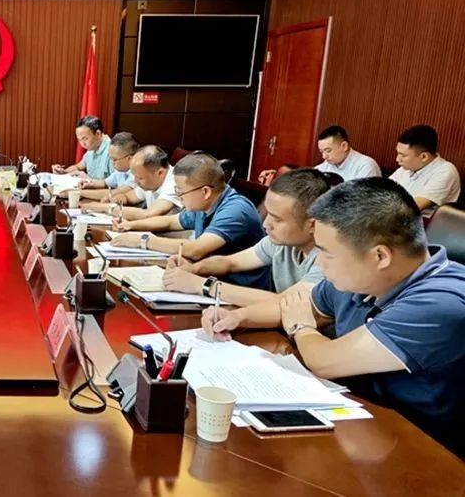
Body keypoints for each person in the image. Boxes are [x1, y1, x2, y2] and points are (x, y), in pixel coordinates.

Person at [201, 178, 465, 455]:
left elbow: (325, 361)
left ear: (380, 256)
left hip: (422, 448)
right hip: (360, 419)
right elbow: (294, 305)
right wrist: (237, 317)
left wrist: (301, 327)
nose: (319, 261)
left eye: (327, 253)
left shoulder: (441, 303)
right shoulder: (363, 278)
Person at [164, 168, 330, 306]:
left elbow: (284, 302)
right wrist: (194, 269)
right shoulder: (280, 242)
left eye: (277, 219)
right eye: (268, 213)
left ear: (312, 224)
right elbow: (230, 262)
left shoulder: (330, 257)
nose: (266, 224)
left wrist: (201, 285)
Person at [112, 153, 268, 288]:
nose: (178, 197)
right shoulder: (204, 203)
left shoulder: (235, 209)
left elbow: (196, 249)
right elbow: (171, 222)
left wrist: (143, 240)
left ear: (205, 191)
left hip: (238, 289)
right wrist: (130, 225)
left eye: (180, 191)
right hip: (210, 279)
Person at [82, 145, 181, 220]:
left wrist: (107, 208)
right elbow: (127, 197)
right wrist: (115, 199)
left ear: (160, 173)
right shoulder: (150, 180)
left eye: (140, 178)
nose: (135, 182)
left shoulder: (175, 183)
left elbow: (148, 214)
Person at [389, 124, 461, 214]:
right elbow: (380, 191)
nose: (397, 159)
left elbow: (413, 206)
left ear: (424, 157)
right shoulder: (405, 168)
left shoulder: (445, 171)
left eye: (403, 155)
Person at [70, 132, 138, 202]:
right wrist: (90, 183)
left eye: (114, 159)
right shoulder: (121, 171)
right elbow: (105, 183)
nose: (112, 162)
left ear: (129, 159)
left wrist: (79, 193)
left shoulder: (137, 173)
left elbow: (113, 193)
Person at [313, 126, 381, 181]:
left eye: (328, 150)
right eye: (321, 152)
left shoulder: (365, 165)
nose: (324, 156)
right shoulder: (322, 168)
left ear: (344, 146)